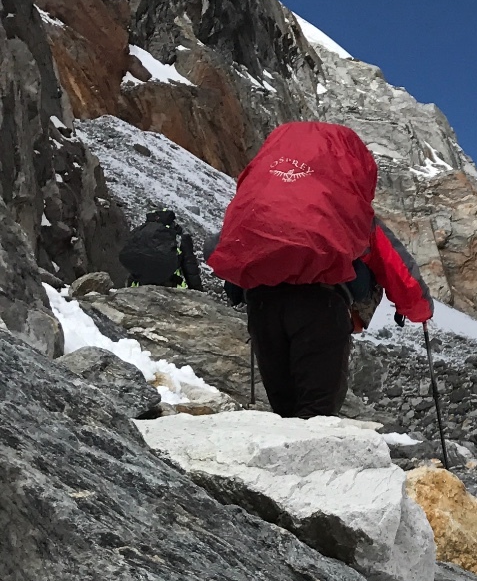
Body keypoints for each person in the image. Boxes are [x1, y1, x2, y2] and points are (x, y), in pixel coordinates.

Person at [208, 120, 433, 417]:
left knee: (283, 408)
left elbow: (220, 246)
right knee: (317, 411)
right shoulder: (345, 210)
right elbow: (395, 264)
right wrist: (419, 309)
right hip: (321, 305)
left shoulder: (259, 202)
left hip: (262, 305)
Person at [120, 207, 203, 291]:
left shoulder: (139, 233)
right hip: (169, 286)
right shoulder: (178, 236)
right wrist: (198, 292)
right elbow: (190, 268)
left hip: (138, 285)